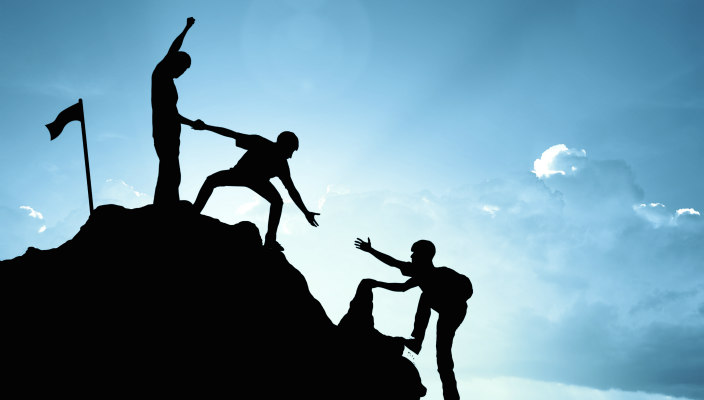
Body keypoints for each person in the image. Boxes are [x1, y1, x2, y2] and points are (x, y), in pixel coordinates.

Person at [354, 237, 472, 400]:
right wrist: (372, 257)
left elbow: (466, 290)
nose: (411, 257)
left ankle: (451, 396)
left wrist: (449, 297)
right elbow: (397, 274)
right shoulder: (420, 274)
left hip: (454, 312)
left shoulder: (442, 273)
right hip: (444, 306)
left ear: (425, 256)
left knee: (443, 357)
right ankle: (416, 341)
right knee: (425, 297)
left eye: (414, 254)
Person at [191, 120, 320, 251]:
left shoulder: (282, 165)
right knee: (211, 180)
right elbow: (231, 134)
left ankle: (270, 240)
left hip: (257, 181)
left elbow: (292, 190)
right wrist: (206, 127)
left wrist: (305, 212)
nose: (291, 156)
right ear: (284, 145)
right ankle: (194, 213)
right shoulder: (260, 143)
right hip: (241, 173)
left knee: (277, 202)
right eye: (291, 150)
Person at [152, 17, 199, 206]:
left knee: (171, 172)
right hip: (164, 131)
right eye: (183, 67)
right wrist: (186, 28)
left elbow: (173, 113)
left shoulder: (168, 81)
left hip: (172, 132)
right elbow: (174, 48)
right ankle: (164, 208)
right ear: (175, 62)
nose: (183, 72)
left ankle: (167, 204)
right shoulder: (161, 73)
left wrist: (190, 124)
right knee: (170, 171)